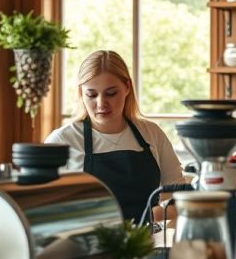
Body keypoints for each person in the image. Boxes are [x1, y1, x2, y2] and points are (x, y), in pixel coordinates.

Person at [45, 50, 185, 223]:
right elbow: (46, 209)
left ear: (127, 87)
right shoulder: (61, 141)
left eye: (111, 93)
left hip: (144, 245)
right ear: (81, 92)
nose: (101, 103)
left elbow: (180, 199)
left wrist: (146, 218)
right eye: (92, 94)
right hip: (86, 247)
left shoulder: (152, 133)